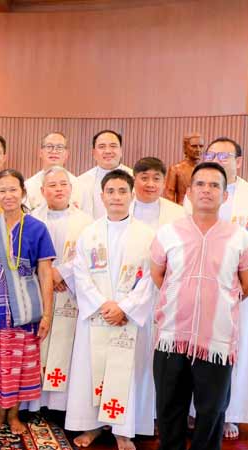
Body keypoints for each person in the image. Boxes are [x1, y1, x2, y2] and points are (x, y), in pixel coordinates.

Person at [151, 162, 248, 450]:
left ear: (225, 195)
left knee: (212, 411)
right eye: (200, 184)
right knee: (169, 408)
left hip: (216, 341)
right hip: (172, 337)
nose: (207, 190)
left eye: (215, 185)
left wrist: (218, 301)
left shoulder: (240, 238)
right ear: (189, 192)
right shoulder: (168, 233)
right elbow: (158, 275)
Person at [185, 137, 248, 439]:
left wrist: (244, 282)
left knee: (235, 352)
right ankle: (194, 410)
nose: (217, 159)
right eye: (212, 154)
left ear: (238, 161)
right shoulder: (196, 193)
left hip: (240, 291)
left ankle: (230, 414)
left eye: (224, 155)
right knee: (198, 349)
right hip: (200, 290)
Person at [65, 170, 156, 450]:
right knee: (91, 370)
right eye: (111, 191)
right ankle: (92, 425)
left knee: (125, 371)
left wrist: (125, 308)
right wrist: (102, 304)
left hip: (129, 319)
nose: (116, 197)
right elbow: (80, 273)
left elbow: (152, 278)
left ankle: (123, 430)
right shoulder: (89, 233)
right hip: (97, 315)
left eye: (122, 191)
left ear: (132, 195)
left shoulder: (147, 235)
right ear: (101, 196)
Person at [0, 169, 55, 434]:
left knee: (21, 363)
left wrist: (47, 314)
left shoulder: (37, 228)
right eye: (2, 190)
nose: (8, 195)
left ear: (23, 192)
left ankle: (14, 415)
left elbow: (45, 272)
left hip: (26, 308)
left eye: (13, 189)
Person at [25, 166, 92, 413]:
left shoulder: (86, 222)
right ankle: (34, 402)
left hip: (69, 292)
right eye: (52, 185)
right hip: (37, 289)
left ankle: (59, 406)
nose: (59, 189)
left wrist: (61, 273)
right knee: (38, 342)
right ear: (43, 191)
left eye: (63, 184)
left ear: (71, 189)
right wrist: (47, 275)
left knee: (65, 345)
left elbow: (87, 257)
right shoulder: (31, 220)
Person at [77, 130, 133, 219]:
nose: (108, 151)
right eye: (102, 147)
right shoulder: (81, 181)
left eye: (113, 146)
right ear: (94, 153)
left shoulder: (135, 178)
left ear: (121, 151)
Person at [25, 132, 82, 211]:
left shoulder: (79, 185)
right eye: (49, 146)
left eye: (59, 147)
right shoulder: (28, 185)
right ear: (41, 152)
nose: (54, 151)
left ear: (66, 154)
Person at [130, 157, 185, 228]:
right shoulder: (121, 209)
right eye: (144, 178)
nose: (150, 184)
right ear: (133, 181)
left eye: (156, 179)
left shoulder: (178, 213)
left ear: (164, 183)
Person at [164, 133, 204, 205]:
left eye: (201, 146)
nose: (198, 149)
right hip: (181, 209)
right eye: (194, 146)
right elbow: (169, 196)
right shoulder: (176, 169)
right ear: (185, 148)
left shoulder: (206, 170)